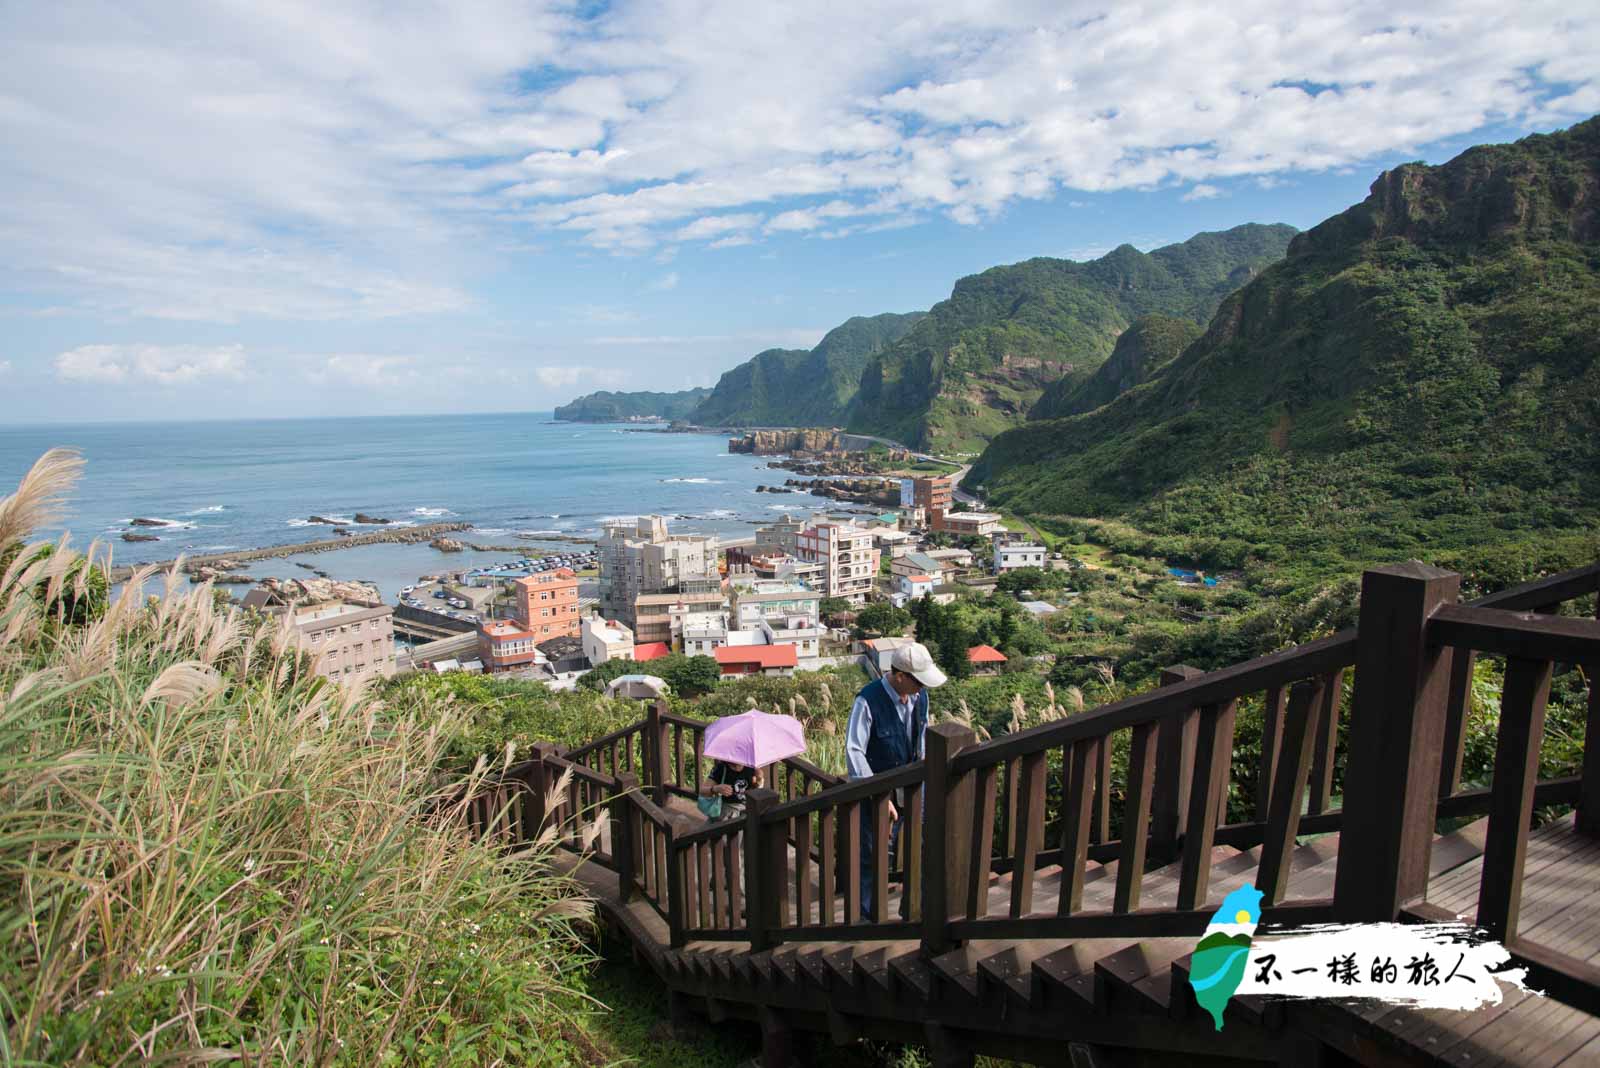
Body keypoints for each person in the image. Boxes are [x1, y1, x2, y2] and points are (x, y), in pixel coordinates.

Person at [845, 642, 946, 917]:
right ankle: (867, 919)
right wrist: (877, 794)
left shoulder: (919, 697)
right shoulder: (868, 700)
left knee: (922, 848)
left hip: (915, 786)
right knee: (873, 855)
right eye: (919, 681)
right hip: (879, 792)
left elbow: (922, 738)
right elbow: (854, 750)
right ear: (900, 675)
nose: (922, 688)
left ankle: (916, 911)